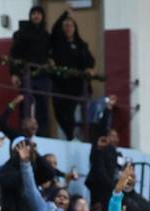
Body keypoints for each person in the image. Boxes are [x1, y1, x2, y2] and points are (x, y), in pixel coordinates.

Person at [49, 8, 95, 140]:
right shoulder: (57, 43)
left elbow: (90, 60)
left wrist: (90, 68)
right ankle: (65, 139)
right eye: (65, 25)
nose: (68, 28)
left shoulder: (81, 45)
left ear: (75, 28)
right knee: (63, 116)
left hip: (79, 87)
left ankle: (80, 140)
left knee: (79, 118)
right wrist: (64, 14)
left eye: (70, 25)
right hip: (62, 86)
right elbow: (54, 28)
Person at [9, 5, 51, 134]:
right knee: (24, 104)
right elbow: (13, 55)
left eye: (39, 13)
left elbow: (49, 53)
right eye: (34, 13)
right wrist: (14, 73)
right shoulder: (22, 33)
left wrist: (50, 60)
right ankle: (24, 132)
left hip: (42, 75)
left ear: (42, 16)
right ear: (30, 16)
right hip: (26, 74)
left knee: (43, 105)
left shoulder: (46, 35)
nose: (36, 16)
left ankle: (43, 133)